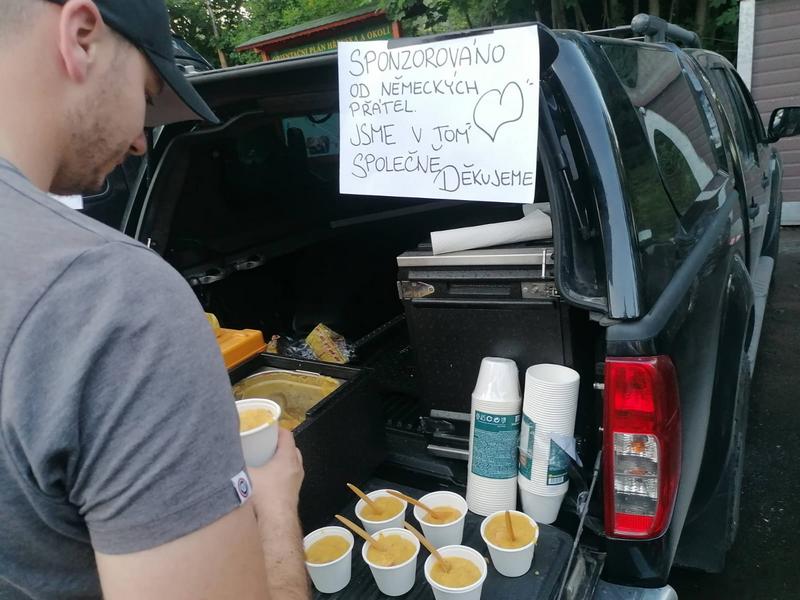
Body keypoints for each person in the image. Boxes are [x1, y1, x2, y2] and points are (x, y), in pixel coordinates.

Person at [0, 1, 309, 599]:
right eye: (146, 96)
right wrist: (273, 508)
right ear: (82, 37)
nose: (143, 142)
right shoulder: (111, 297)